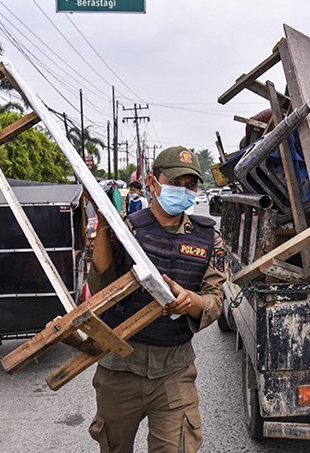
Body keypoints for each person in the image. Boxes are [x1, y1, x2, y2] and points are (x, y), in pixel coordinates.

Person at [88, 146, 226, 453]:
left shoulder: (209, 239)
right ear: (153, 182)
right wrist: (103, 223)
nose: (184, 190)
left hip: (174, 371)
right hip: (120, 368)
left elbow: (215, 300)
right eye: (175, 183)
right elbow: (101, 286)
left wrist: (192, 301)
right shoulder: (127, 229)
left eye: (191, 185)